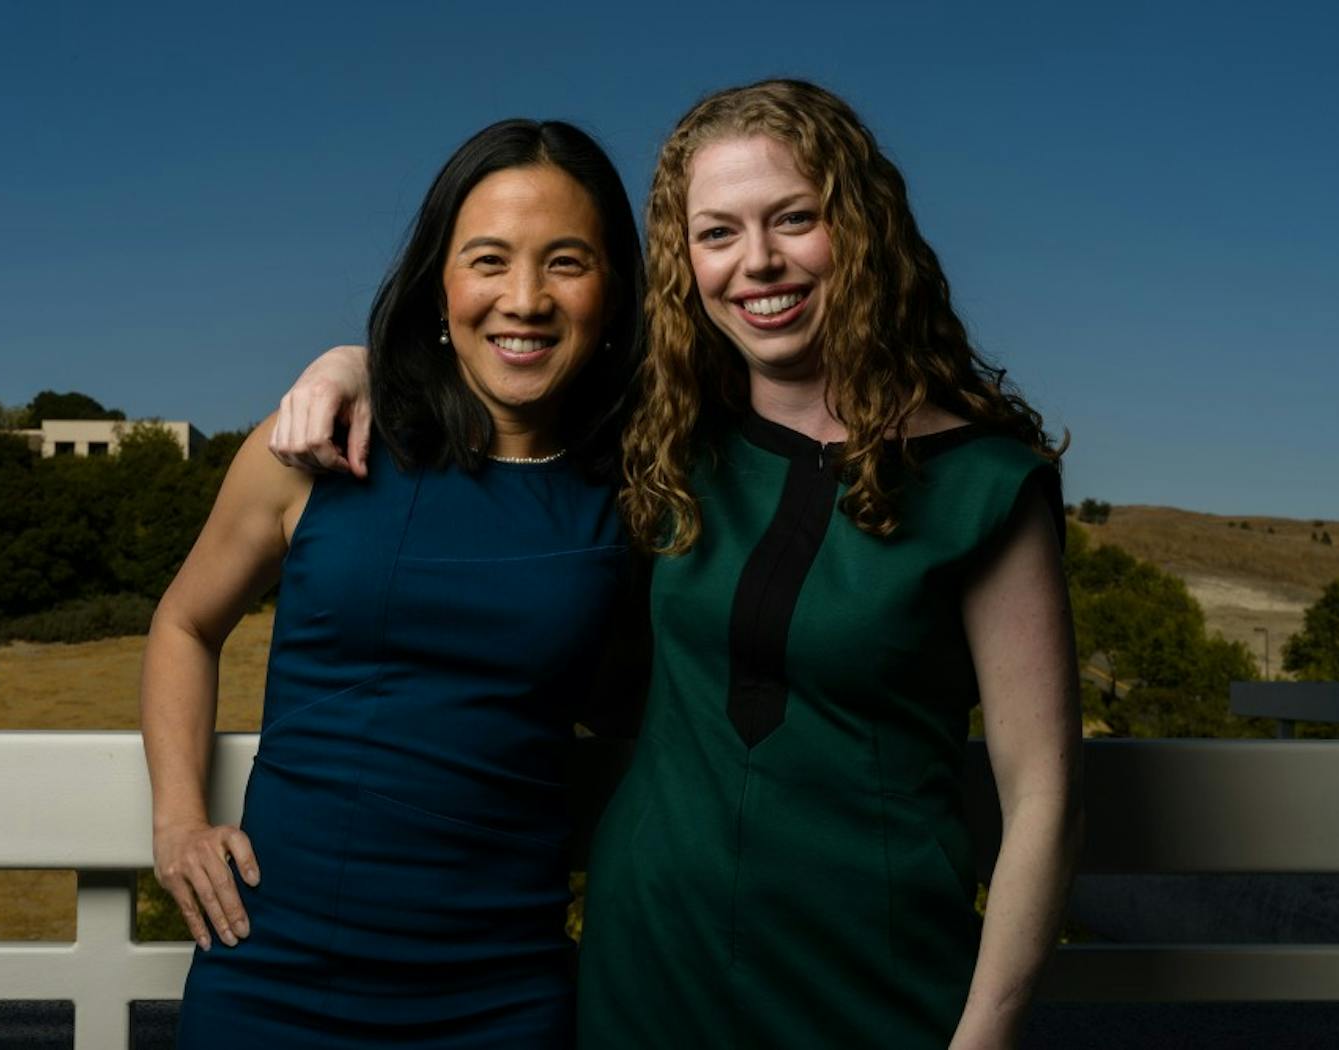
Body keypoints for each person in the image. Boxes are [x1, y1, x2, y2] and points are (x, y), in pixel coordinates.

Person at [272, 79, 1082, 1049]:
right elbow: (507, 370)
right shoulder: (663, 446)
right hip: (644, 977)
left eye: (795, 218)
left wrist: (985, 1035)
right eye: (717, 233)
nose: (758, 261)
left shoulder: (984, 485)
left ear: (863, 229)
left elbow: (1043, 798)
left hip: (878, 987)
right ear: (682, 262)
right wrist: (351, 363)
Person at [140, 117, 645, 1048]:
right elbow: (184, 624)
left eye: (566, 263)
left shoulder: (638, 496)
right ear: (439, 283)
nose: (524, 299)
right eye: (488, 260)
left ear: (612, 291)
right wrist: (178, 820)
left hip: (501, 990)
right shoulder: (317, 447)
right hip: (269, 969)